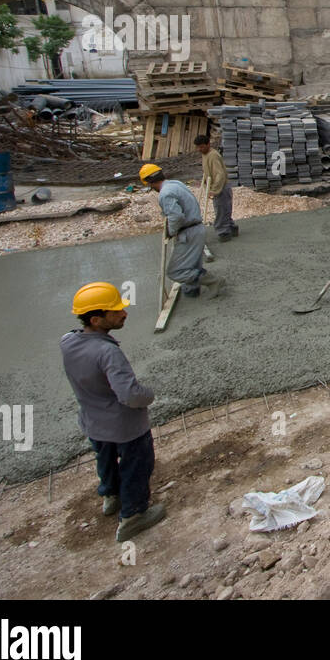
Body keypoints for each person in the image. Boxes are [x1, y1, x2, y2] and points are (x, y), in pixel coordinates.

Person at [61, 282, 166, 542]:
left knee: (105, 460)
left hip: (93, 422)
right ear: (96, 319)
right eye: (116, 311)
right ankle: (133, 515)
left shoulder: (68, 342)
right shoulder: (108, 352)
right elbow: (130, 395)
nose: (124, 314)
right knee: (136, 466)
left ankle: (111, 496)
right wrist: (148, 395)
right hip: (125, 427)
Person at [140, 164, 223, 299]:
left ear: (149, 183)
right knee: (192, 264)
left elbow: (176, 216)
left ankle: (213, 281)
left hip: (188, 233)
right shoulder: (176, 184)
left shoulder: (165, 194)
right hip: (196, 228)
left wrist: (171, 231)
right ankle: (192, 289)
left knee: (175, 272)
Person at [195, 134, 237, 241]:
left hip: (221, 187)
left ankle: (223, 232)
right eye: (198, 147)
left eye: (202, 147)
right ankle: (231, 228)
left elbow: (220, 174)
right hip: (216, 185)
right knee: (224, 209)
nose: (199, 149)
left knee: (221, 210)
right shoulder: (205, 154)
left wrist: (214, 190)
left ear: (208, 144)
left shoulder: (213, 156)